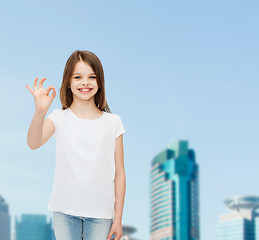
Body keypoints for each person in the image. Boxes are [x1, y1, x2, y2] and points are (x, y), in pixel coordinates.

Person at [25, 50, 126, 240]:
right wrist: (40, 111)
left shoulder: (113, 122)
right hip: (64, 211)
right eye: (78, 77)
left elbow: (120, 173)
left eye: (92, 77)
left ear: (100, 81)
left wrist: (118, 218)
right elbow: (33, 143)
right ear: (68, 82)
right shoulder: (59, 118)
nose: (85, 82)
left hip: (101, 214)